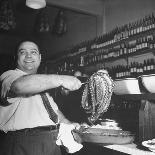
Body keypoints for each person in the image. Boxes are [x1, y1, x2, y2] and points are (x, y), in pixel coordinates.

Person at [0, 40, 82, 155]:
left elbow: (54, 111)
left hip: (51, 142)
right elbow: (19, 86)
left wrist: (67, 123)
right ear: (16, 57)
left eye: (33, 52)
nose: (28, 55)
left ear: (40, 57)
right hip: (23, 143)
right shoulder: (9, 76)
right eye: (23, 52)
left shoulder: (41, 83)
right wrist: (62, 79)